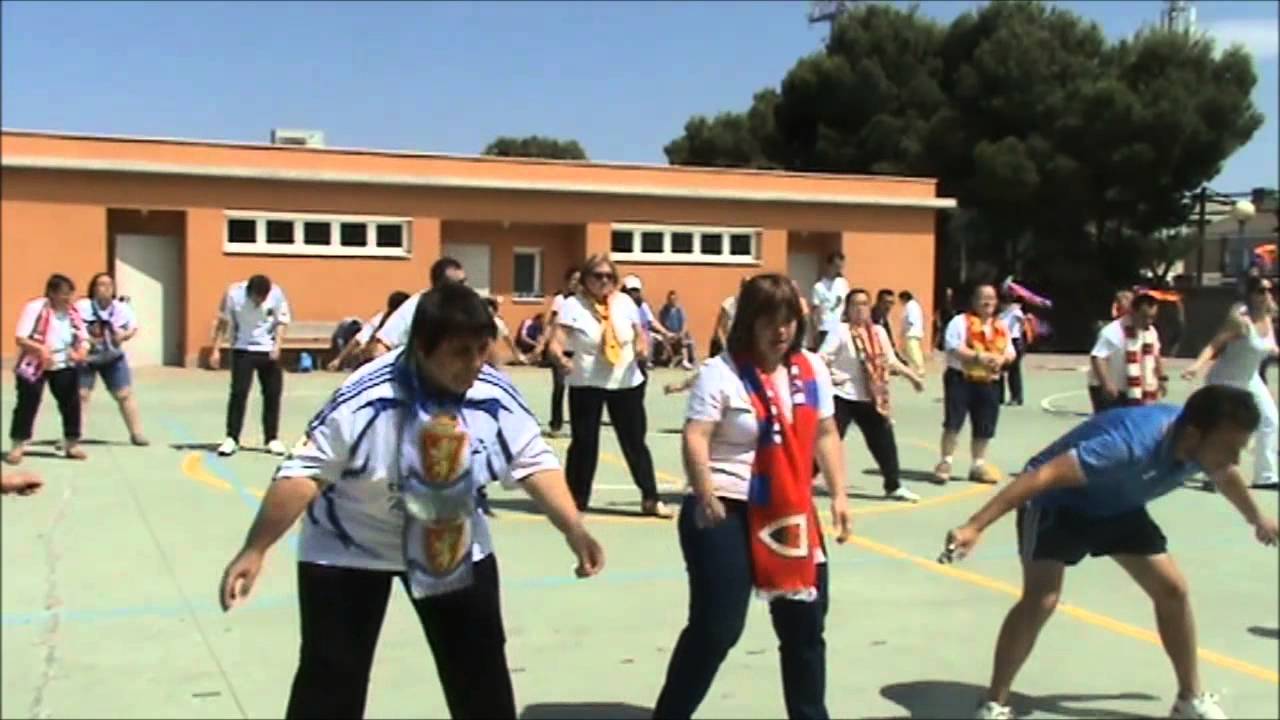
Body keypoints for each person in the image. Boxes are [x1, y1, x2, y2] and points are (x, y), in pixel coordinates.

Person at [217, 281, 606, 720]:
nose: (476, 365)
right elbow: (304, 474)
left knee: (480, 679)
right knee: (330, 682)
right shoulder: (367, 398)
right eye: (461, 353)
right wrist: (255, 548)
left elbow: (533, 461)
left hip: (449, 540)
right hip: (350, 545)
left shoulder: (492, 393)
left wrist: (574, 528)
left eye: (483, 349)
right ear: (421, 347)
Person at [939, 385, 1278, 720]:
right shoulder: (1127, 447)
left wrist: (1258, 519)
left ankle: (1189, 698)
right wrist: (975, 525)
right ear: (1194, 433)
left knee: (1172, 590)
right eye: (1230, 447)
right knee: (1042, 597)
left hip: (1118, 507)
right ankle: (994, 705)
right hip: (1057, 506)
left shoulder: (1204, 448)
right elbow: (1042, 476)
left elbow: (1226, 474)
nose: (1235, 458)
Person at [652, 273, 853, 720]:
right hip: (726, 506)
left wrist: (839, 494)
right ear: (749, 321)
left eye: (788, 320)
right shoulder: (720, 373)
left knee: (804, 628)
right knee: (718, 627)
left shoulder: (811, 369)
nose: (780, 331)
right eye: (769, 319)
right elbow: (696, 436)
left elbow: (825, 432)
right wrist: (704, 491)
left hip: (790, 511)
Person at [546, 255, 671, 518]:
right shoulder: (572, 306)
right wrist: (560, 359)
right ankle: (576, 500)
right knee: (584, 443)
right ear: (585, 279)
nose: (604, 281)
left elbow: (639, 333)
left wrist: (641, 347)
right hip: (587, 381)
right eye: (598, 276)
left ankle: (651, 498)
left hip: (625, 381)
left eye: (609, 277)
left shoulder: (625, 303)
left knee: (634, 441)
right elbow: (556, 342)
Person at [819, 288, 925, 503]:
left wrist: (912, 377)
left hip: (872, 396)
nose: (860, 309)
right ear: (847, 309)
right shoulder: (841, 331)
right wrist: (829, 378)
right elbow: (822, 358)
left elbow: (891, 360)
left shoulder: (878, 332)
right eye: (855, 304)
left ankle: (893, 486)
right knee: (827, 440)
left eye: (864, 304)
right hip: (843, 396)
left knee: (884, 440)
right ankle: (801, 482)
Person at [1182, 275, 1279, 488]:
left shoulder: (1268, 318)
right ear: (1250, 295)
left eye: (1269, 290)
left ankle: (1266, 476)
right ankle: (1211, 475)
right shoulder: (1239, 321)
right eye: (1261, 291)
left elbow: (1268, 348)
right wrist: (1196, 367)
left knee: (1271, 420)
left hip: (1250, 378)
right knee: (1219, 428)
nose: (1266, 295)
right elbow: (1214, 346)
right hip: (1225, 379)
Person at [935, 282, 1016, 485]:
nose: (988, 302)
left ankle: (978, 465)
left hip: (990, 382)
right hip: (961, 379)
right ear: (974, 301)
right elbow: (952, 346)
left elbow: (1010, 351)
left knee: (984, 425)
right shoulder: (959, 322)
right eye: (983, 298)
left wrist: (1002, 359)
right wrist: (979, 357)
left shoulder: (1001, 326)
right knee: (953, 422)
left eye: (992, 298)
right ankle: (945, 462)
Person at [6, 274, 90, 465]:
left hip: (63, 362)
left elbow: (83, 336)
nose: (68, 299)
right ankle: (18, 445)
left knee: (71, 403)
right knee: (28, 402)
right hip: (34, 364)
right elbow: (21, 338)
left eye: (70, 294)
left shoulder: (73, 311)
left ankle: (72, 442)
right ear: (51, 293)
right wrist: (41, 349)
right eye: (63, 294)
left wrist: (83, 350)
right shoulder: (36, 308)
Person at [209, 274, 292, 457]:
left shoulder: (276, 294)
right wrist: (216, 350)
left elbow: (281, 322)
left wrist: (277, 346)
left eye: (264, 298)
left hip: (268, 349)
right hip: (242, 348)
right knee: (238, 393)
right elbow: (223, 322)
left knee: (272, 394)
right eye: (257, 298)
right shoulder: (233, 294)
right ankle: (232, 437)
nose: (260, 301)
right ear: (249, 293)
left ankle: (271, 438)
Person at [76, 272, 148, 445]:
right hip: (87, 356)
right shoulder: (82, 306)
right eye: (101, 284)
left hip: (112, 356)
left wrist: (123, 335)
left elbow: (133, 327)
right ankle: (75, 435)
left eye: (109, 284)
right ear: (93, 288)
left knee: (124, 394)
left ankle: (136, 433)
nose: (106, 288)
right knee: (81, 395)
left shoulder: (121, 308)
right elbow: (71, 325)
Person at [367, 257, 467, 357]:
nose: (466, 288)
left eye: (465, 281)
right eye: (460, 283)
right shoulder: (415, 306)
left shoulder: (465, 308)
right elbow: (381, 347)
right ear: (440, 285)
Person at [1087, 291, 1167, 415]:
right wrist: (1107, 384)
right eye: (1144, 316)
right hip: (1108, 388)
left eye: (1152, 317)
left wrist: (1161, 378)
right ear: (1133, 312)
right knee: (1110, 426)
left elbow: (1156, 355)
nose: (1149, 321)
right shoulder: (1113, 331)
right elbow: (1098, 357)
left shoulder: (1151, 332)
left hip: (1136, 389)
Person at [530, 268, 581, 436]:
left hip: (578, 350)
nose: (576, 283)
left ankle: (578, 425)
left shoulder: (584, 302)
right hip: (561, 350)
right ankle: (556, 424)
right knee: (559, 387)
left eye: (579, 280)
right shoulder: (560, 300)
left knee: (578, 389)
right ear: (567, 281)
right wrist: (541, 345)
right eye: (573, 279)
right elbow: (550, 325)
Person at [327, 291, 411, 371]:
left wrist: (338, 360)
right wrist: (338, 360)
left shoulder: (379, 319)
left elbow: (356, 341)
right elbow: (357, 340)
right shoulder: (402, 323)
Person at [810, 252, 849, 351]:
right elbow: (815, 311)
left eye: (840, 266)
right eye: (836, 266)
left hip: (840, 328)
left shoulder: (842, 283)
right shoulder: (818, 286)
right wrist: (815, 332)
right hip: (825, 329)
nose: (838, 269)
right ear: (829, 265)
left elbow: (847, 304)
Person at [997, 294, 1027, 407]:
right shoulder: (1000, 314)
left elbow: (1022, 321)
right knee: (998, 369)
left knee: (1013, 371)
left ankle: (1017, 397)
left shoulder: (1015, 311)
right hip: (1001, 342)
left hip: (1014, 341)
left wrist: (1020, 330)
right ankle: (999, 397)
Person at [659, 290, 697, 370]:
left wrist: (681, 334)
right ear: (668, 300)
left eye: (674, 300)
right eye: (670, 299)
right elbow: (661, 325)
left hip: (679, 333)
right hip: (668, 334)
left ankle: (686, 361)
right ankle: (673, 360)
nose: (672, 302)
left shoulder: (680, 310)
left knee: (686, 340)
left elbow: (684, 324)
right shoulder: (663, 311)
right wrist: (667, 334)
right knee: (664, 341)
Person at [898, 289, 927, 375]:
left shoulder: (911, 306)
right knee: (908, 351)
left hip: (912, 332)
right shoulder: (911, 305)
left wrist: (905, 329)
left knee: (914, 351)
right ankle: (912, 368)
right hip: (910, 332)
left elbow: (911, 320)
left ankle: (920, 369)